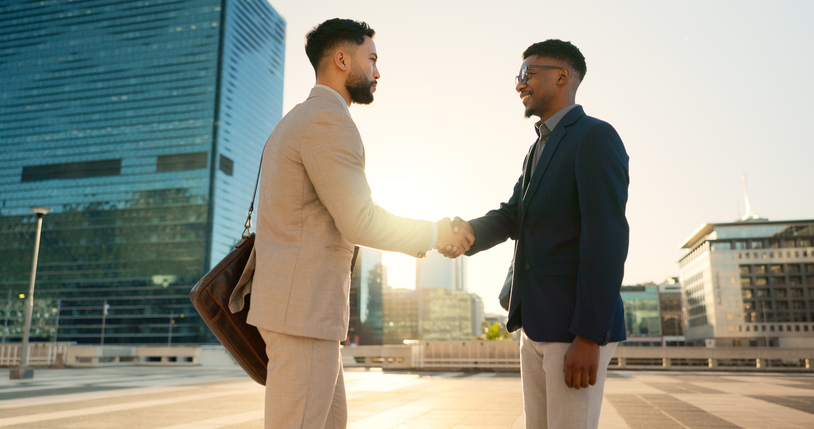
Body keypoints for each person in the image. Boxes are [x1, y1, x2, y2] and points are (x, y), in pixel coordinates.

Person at [245, 19, 473, 429]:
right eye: (372, 59)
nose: (377, 72)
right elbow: (360, 220)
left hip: (303, 315)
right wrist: (437, 233)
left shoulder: (299, 118)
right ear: (341, 58)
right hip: (303, 316)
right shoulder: (327, 121)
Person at [449, 39, 629, 428]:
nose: (518, 84)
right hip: (535, 321)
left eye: (527, 74)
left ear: (562, 76)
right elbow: (514, 215)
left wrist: (588, 335)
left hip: (573, 326)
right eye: (519, 75)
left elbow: (607, 237)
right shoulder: (538, 149)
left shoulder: (595, 137)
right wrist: (467, 234)